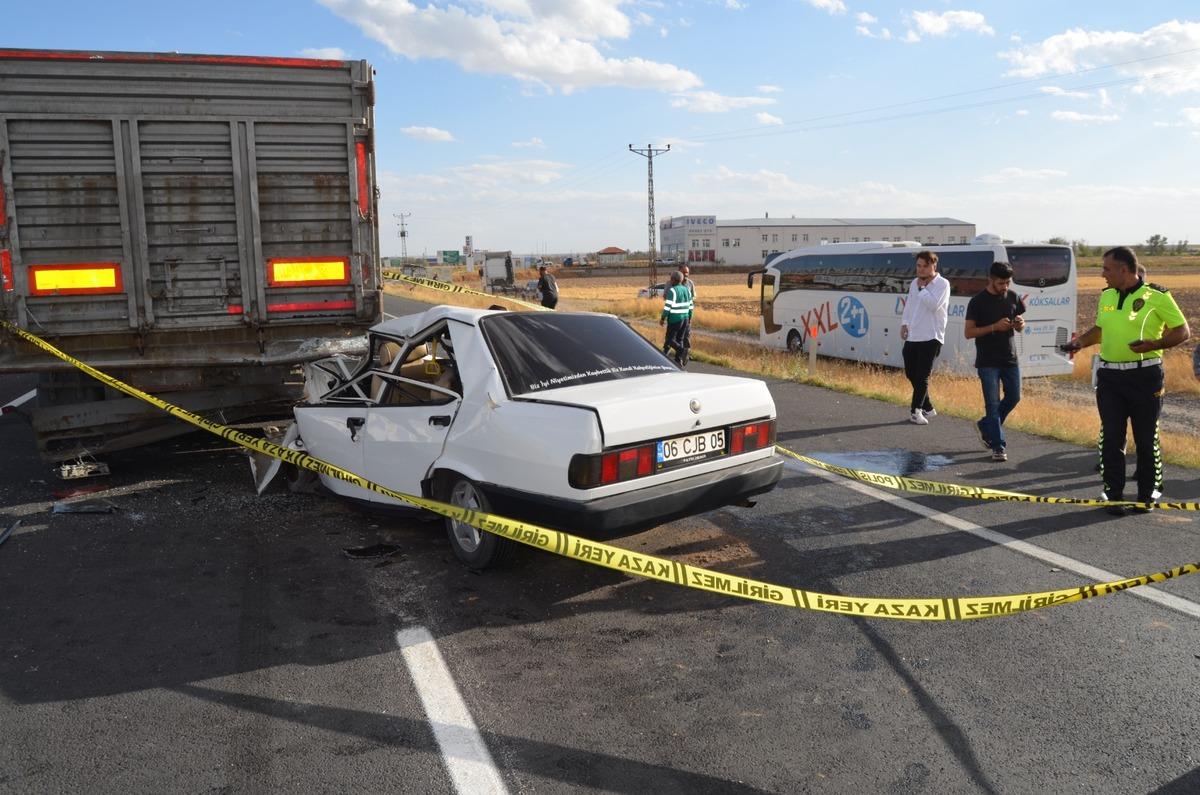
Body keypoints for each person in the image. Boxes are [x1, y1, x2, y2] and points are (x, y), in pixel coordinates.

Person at [1060, 246, 1191, 515]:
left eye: (1106, 268)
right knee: (1111, 437)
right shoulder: (1106, 295)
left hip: (1145, 376)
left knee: (1145, 438)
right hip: (1110, 377)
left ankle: (1148, 495)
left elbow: (1183, 331)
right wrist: (1080, 342)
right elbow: (1100, 329)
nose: (1102, 274)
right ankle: (1113, 494)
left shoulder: (1157, 295)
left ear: (1123, 269)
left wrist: (1155, 343)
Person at [964, 262, 1026, 462]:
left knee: (1014, 397)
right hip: (987, 361)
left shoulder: (1013, 297)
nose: (1005, 287)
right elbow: (969, 332)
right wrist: (994, 327)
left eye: (1008, 282)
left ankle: (985, 425)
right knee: (992, 404)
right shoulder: (977, 302)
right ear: (990, 279)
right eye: (1001, 283)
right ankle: (998, 446)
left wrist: (1020, 325)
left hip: (1010, 358)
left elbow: (1020, 324)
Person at [900, 250, 950, 425]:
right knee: (910, 373)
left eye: (925, 266)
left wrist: (924, 288)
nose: (920, 270)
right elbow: (910, 305)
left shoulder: (943, 284)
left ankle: (916, 411)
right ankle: (928, 407)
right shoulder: (914, 283)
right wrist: (904, 323)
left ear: (934, 266)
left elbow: (934, 305)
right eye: (918, 266)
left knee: (922, 375)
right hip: (914, 334)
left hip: (932, 335)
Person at [659, 270, 693, 367]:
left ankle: (682, 351)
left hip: (675, 319)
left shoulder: (672, 291)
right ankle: (679, 361)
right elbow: (691, 305)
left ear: (674, 280)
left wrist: (662, 318)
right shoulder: (686, 289)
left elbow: (667, 307)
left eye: (671, 279)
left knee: (669, 339)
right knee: (680, 339)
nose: (670, 280)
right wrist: (690, 317)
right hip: (685, 318)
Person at [677, 264, 696, 354]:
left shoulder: (690, 283)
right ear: (679, 272)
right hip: (676, 314)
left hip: (687, 313)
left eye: (687, 272)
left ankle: (686, 353)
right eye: (684, 272)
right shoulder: (673, 283)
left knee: (687, 334)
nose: (686, 274)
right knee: (675, 335)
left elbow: (693, 297)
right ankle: (677, 353)